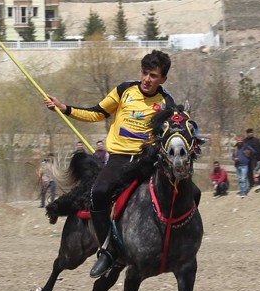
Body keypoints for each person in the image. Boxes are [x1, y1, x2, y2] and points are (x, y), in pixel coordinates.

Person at [44, 49, 175, 278]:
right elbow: (96, 113)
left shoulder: (166, 103)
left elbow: (172, 133)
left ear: (163, 79)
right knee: (98, 192)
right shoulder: (125, 90)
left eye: (153, 76)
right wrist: (65, 109)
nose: (147, 79)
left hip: (149, 162)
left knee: (188, 193)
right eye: (145, 73)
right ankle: (107, 251)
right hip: (120, 160)